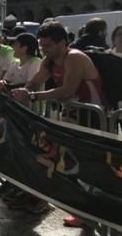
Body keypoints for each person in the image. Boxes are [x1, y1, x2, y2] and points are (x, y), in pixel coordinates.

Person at [12, 21, 106, 228]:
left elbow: (67, 90)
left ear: (62, 43)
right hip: (73, 115)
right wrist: (25, 90)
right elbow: (35, 81)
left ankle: (91, 213)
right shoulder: (50, 60)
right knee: (66, 160)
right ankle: (78, 210)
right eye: (41, 45)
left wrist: (33, 96)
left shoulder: (74, 58)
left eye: (47, 45)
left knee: (87, 166)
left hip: (92, 117)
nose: (43, 49)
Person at [0, 33, 47, 214]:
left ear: (24, 47)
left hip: (30, 114)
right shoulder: (15, 62)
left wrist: (6, 86)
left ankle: (30, 192)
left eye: (15, 43)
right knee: (12, 149)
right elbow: (7, 79)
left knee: (28, 152)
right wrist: (2, 82)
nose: (12, 46)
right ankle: (13, 184)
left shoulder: (35, 62)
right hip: (13, 112)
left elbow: (30, 85)